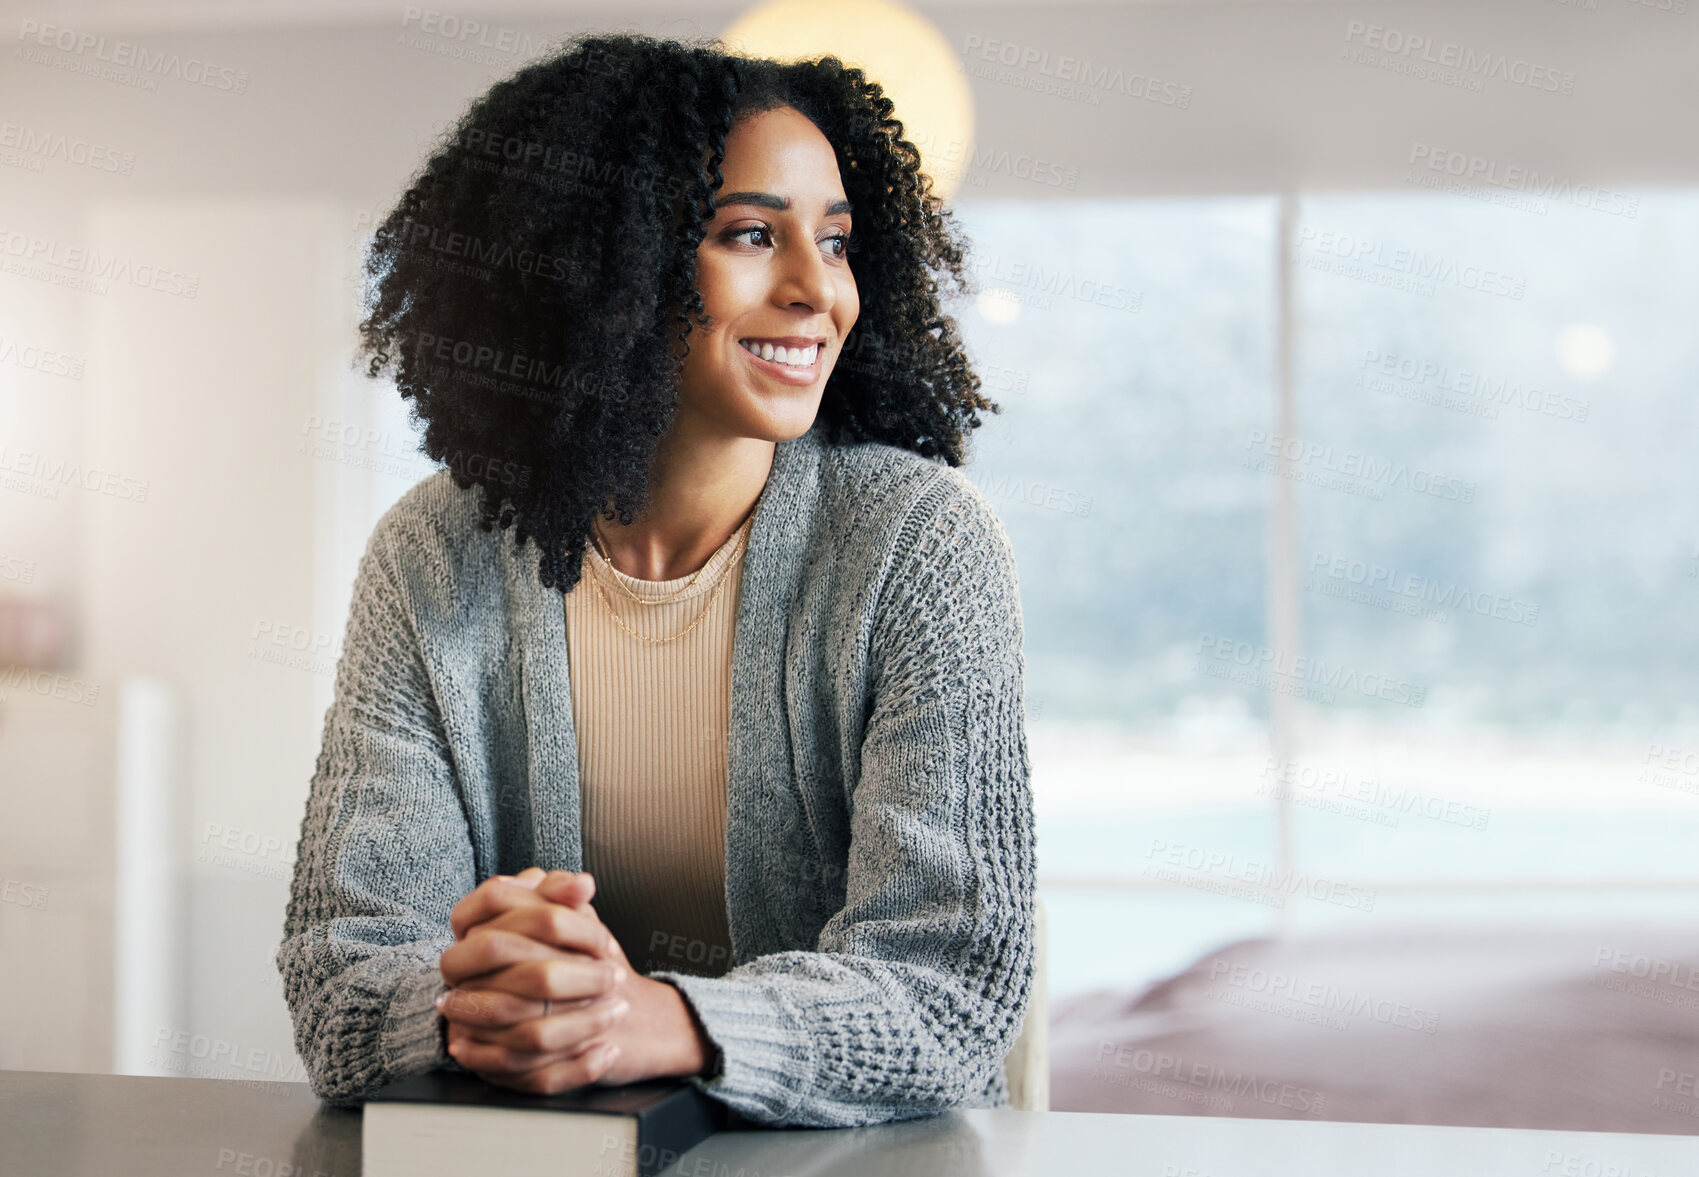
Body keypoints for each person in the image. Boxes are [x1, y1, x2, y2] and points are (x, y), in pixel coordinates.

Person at [275, 30, 1035, 1130]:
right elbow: (343, 981)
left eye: (833, 239)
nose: (816, 289)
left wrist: (655, 1018)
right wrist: (490, 992)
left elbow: (952, 988)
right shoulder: (431, 555)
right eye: (749, 234)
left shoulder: (918, 547)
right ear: (601, 259)